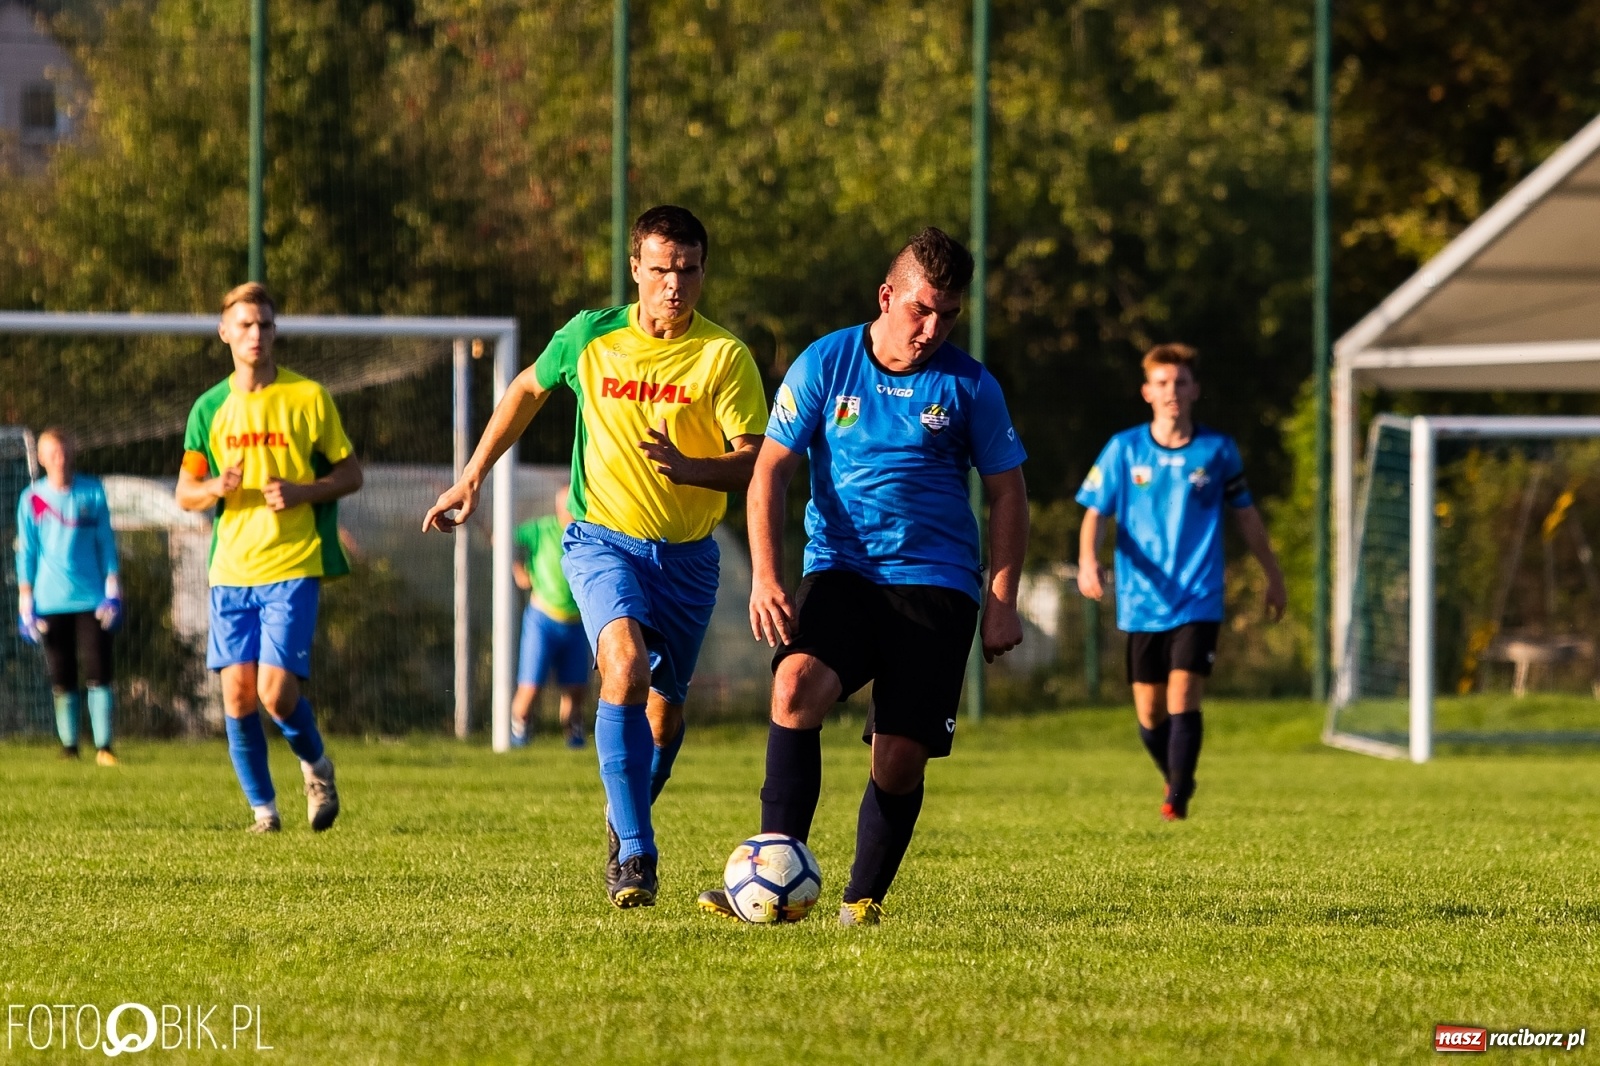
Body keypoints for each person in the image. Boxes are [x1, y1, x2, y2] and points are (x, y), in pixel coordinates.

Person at [424, 205, 767, 909]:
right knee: (624, 667)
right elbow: (525, 390)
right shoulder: (590, 336)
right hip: (601, 539)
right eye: (663, 270)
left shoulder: (723, 356)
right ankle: (635, 856)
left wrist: (691, 469)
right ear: (636, 270)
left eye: (690, 270)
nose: (676, 285)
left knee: (666, 717)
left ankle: (627, 810)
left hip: (689, 559)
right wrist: (472, 476)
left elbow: (757, 461)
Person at [697, 227, 1030, 926]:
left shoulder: (970, 385)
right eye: (920, 309)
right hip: (843, 571)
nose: (932, 327)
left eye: (948, 315)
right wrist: (766, 576)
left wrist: (1002, 600)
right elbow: (771, 474)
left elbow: (1009, 494)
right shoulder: (827, 362)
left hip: (937, 585)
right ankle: (770, 873)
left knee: (899, 759)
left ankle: (861, 899)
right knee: (794, 687)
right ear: (887, 295)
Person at [175, 282, 363, 833]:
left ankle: (316, 764)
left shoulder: (308, 398)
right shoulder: (209, 407)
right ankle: (264, 812)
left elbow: (351, 474)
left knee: (275, 693)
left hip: (292, 563)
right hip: (230, 570)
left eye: (265, 324)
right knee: (236, 693)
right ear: (225, 332)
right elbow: (184, 492)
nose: (256, 334)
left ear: (275, 332)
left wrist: (303, 490)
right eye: (245, 324)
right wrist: (214, 487)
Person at [1075, 343, 1285, 820]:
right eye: (1163, 383)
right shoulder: (1123, 449)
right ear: (1147, 391)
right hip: (1141, 600)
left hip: (1199, 595)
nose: (1173, 392)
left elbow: (1247, 517)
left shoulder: (1217, 451)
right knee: (1150, 716)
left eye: (1181, 382)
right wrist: (1088, 560)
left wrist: (1273, 574)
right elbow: (1094, 514)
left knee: (1184, 696)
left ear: (1195, 390)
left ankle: (1175, 799)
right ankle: (1178, 773)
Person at [15, 428, 123, 764]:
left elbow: (106, 542)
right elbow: (27, 552)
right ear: (42, 458)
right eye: (52, 453)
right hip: (49, 600)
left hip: (92, 600)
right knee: (60, 673)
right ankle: (69, 747)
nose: (59, 459)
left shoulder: (92, 492)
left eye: (64, 452)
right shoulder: (31, 497)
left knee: (98, 669)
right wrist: (26, 600)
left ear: (72, 453)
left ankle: (104, 747)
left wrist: (113, 589)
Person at [511, 484, 590, 749]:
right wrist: (518, 569)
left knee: (576, 689)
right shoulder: (541, 530)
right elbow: (507, 539)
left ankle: (574, 739)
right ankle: (519, 736)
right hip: (542, 620)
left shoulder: (587, 534)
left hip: (577, 623)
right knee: (531, 687)